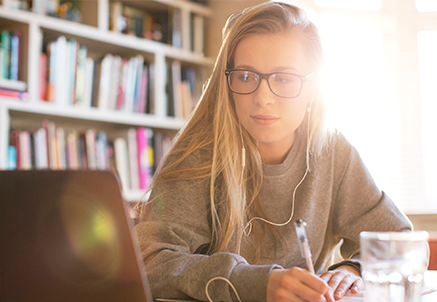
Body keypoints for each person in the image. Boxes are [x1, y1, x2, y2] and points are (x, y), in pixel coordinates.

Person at [135, 2, 412, 302]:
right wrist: (255, 283)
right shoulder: (199, 157)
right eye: (245, 76)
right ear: (227, 84)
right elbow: (150, 265)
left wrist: (354, 270)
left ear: (313, 87)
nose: (263, 98)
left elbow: (404, 244)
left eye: (284, 78)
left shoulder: (333, 152)